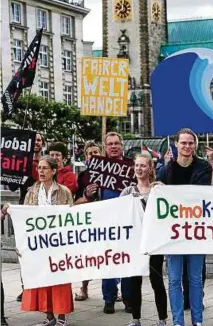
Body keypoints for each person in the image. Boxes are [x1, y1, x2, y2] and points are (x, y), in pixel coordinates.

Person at [2, 156, 74, 326]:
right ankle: (49, 317)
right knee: (42, 280)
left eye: (45, 168)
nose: (41, 171)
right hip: (39, 243)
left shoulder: (64, 191)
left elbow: (71, 217)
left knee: (60, 280)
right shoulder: (32, 191)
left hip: (58, 242)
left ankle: (62, 318)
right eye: (39, 168)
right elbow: (24, 218)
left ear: (54, 171)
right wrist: (10, 210)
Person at [158, 128, 212, 326]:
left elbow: (204, 194)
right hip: (174, 234)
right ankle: (178, 321)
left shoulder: (204, 167)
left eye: (190, 143)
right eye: (184, 143)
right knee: (173, 280)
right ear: (176, 144)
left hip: (196, 232)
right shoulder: (166, 169)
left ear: (195, 145)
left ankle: (197, 321)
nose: (187, 146)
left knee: (196, 279)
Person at [84, 132, 132, 314]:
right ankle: (109, 299)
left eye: (116, 143)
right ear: (105, 147)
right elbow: (88, 195)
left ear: (122, 146)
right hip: (106, 223)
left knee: (128, 262)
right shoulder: (98, 167)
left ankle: (128, 299)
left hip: (128, 222)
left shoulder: (131, 166)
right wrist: (88, 193)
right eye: (110, 143)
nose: (113, 146)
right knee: (108, 261)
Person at [121, 154, 168, 326]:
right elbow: (120, 214)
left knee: (157, 280)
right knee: (135, 281)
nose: (139, 169)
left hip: (153, 243)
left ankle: (162, 319)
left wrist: (164, 190)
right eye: (137, 166)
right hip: (135, 243)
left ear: (150, 168)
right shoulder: (127, 192)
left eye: (143, 166)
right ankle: (136, 319)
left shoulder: (157, 190)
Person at [10, 132, 44, 303]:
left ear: (42, 144)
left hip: (43, 213)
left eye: (39, 140)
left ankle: (41, 288)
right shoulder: (21, 163)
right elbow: (12, 183)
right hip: (25, 211)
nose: (36, 143)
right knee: (25, 252)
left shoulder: (47, 163)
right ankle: (27, 289)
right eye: (34, 140)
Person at [73, 141, 102, 302]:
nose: (93, 156)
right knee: (87, 256)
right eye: (90, 153)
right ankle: (84, 288)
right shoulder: (83, 176)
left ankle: (115, 288)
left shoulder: (111, 172)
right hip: (89, 220)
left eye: (96, 152)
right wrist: (85, 195)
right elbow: (76, 200)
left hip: (108, 219)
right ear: (86, 157)